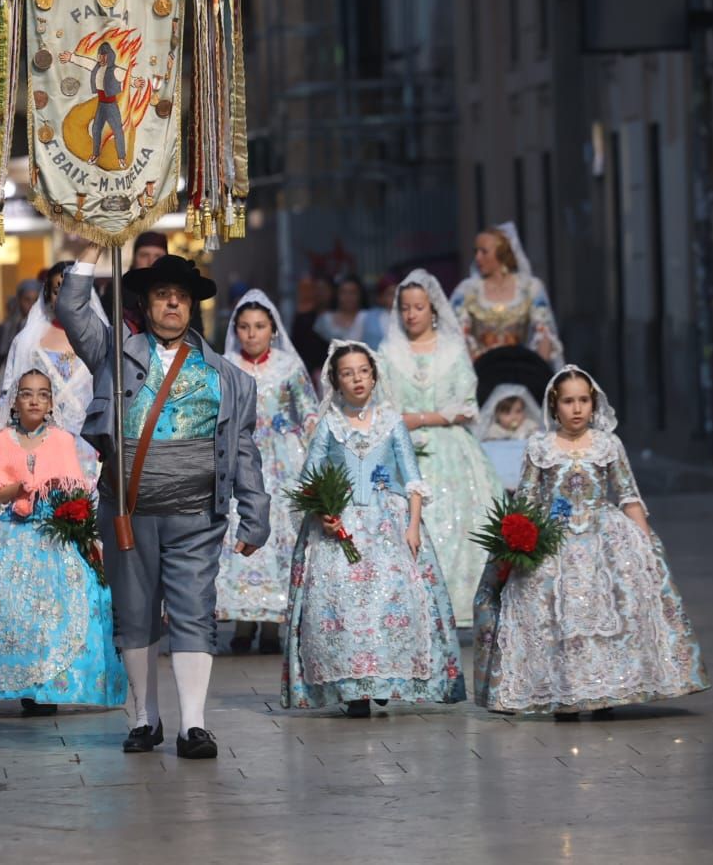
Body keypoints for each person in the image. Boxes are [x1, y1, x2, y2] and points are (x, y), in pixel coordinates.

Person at [58, 247, 270, 760]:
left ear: (192, 307)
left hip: (198, 514)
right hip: (129, 509)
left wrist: (255, 513)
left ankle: (192, 725)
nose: (171, 305)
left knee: (196, 611)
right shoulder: (115, 354)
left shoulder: (231, 378)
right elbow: (71, 309)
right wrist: (90, 249)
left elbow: (243, 450)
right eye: (161, 296)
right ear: (146, 304)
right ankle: (144, 717)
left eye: (180, 297)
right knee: (135, 614)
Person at [474, 365, 709, 718]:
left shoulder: (607, 444)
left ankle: (607, 691)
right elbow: (526, 498)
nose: (577, 408)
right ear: (555, 406)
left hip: (605, 538)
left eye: (584, 400)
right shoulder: (541, 446)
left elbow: (628, 495)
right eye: (569, 401)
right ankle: (565, 692)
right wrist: (518, 541)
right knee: (558, 616)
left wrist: (646, 545)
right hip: (555, 540)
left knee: (613, 608)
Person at [281, 341, 465, 716]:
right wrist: (323, 515)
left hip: (388, 524)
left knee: (390, 597)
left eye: (363, 371)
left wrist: (413, 527)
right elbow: (309, 480)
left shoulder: (391, 420)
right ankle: (354, 688)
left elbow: (412, 478)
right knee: (342, 602)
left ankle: (384, 676)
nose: (357, 379)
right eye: (347, 373)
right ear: (335, 380)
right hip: (342, 524)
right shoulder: (329, 425)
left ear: (374, 375)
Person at [0, 370, 126, 713]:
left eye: (42, 394)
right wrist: (17, 488)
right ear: (16, 402)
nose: (35, 401)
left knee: (58, 609)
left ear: (51, 402)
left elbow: (75, 493)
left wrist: (79, 532)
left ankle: (48, 685)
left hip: (54, 533)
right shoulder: (0, 443)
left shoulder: (62, 441)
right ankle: (15, 682)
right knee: (11, 606)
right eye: (27, 394)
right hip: (8, 533)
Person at [378, 270, 505, 625]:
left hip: (454, 452)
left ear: (433, 308)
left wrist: (416, 417)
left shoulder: (452, 349)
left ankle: (464, 601)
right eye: (405, 308)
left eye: (418, 307)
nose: (411, 314)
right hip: (403, 448)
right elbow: (384, 407)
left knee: (463, 518)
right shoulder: (388, 352)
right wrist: (430, 416)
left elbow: (465, 406)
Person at [216, 290, 319, 655]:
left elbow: (308, 413)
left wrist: (317, 459)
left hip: (282, 460)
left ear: (273, 329)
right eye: (244, 327)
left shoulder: (289, 367)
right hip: (239, 460)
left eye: (259, 326)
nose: (251, 333)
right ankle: (243, 626)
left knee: (279, 536)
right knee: (241, 530)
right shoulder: (225, 364)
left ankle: (274, 627)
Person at [0, 261, 103, 490]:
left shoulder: (100, 337)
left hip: (89, 443)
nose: (64, 294)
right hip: (41, 440)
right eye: (58, 288)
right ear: (48, 295)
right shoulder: (28, 341)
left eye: (72, 287)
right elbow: (12, 390)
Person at [452, 223, 564, 418]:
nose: (477, 257)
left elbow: (544, 332)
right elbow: (459, 336)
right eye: (476, 252)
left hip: (522, 370)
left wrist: (537, 375)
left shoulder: (530, 287)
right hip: (481, 373)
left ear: (502, 253)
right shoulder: (468, 290)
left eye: (484, 252)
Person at [314, 275, 386, 349]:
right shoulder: (325, 319)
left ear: (360, 295)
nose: (348, 297)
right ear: (336, 295)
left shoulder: (369, 317)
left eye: (353, 292)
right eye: (343, 292)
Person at [0, 279, 41, 368]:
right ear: (19, 301)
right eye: (27, 300)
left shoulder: (47, 327)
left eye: (35, 300)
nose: (32, 305)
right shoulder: (7, 328)